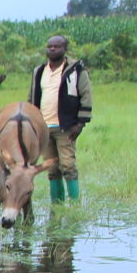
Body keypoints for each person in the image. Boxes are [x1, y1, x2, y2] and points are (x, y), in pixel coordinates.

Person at [26, 35, 92, 203]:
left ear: (65, 50)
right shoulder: (39, 71)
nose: (52, 49)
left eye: (57, 46)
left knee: (68, 165)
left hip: (66, 127)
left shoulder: (76, 70)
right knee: (51, 168)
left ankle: (75, 204)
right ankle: (57, 204)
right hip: (44, 128)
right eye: (50, 46)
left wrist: (80, 123)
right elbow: (32, 97)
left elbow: (86, 95)